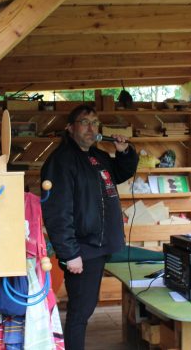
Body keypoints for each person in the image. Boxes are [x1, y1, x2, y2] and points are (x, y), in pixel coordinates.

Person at [41, 104, 138, 349]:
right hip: (82, 248)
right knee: (80, 311)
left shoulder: (98, 156)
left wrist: (124, 152)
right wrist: (69, 253)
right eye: (84, 122)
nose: (91, 128)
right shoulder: (61, 161)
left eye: (95, 123)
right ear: (70, 128)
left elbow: (121, 173)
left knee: (86, 307)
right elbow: (57, 212)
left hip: (100, 244)